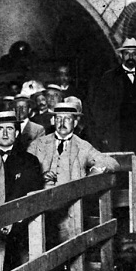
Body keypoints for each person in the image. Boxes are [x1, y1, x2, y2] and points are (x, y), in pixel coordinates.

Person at [88, 37, 136, 223]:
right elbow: (100, 109)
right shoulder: (109, 77)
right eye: (127, 53)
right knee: (118, 177)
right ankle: (117, 220)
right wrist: (102, 136)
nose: (130, 56)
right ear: (121, 56)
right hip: (116, 136)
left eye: (133, 53)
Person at [28, 101, 120, 241]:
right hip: (41, 210)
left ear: (75, 123)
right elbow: (25, 167)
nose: (62, 122)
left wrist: (95, 171)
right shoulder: (38, 144)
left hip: (71, 211)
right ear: (53, 121)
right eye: (58, 118)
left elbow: (112, 162)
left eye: (67, 119)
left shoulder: (82, 146)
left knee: (70, 246)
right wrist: (39, 176)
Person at [0, 109, 45, 270]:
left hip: (20, 225)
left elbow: (29, 193)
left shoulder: (29, 161)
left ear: (17, 132)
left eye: (10, 128)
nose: (5, 133)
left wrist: (13, 219)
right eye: (0, 129)